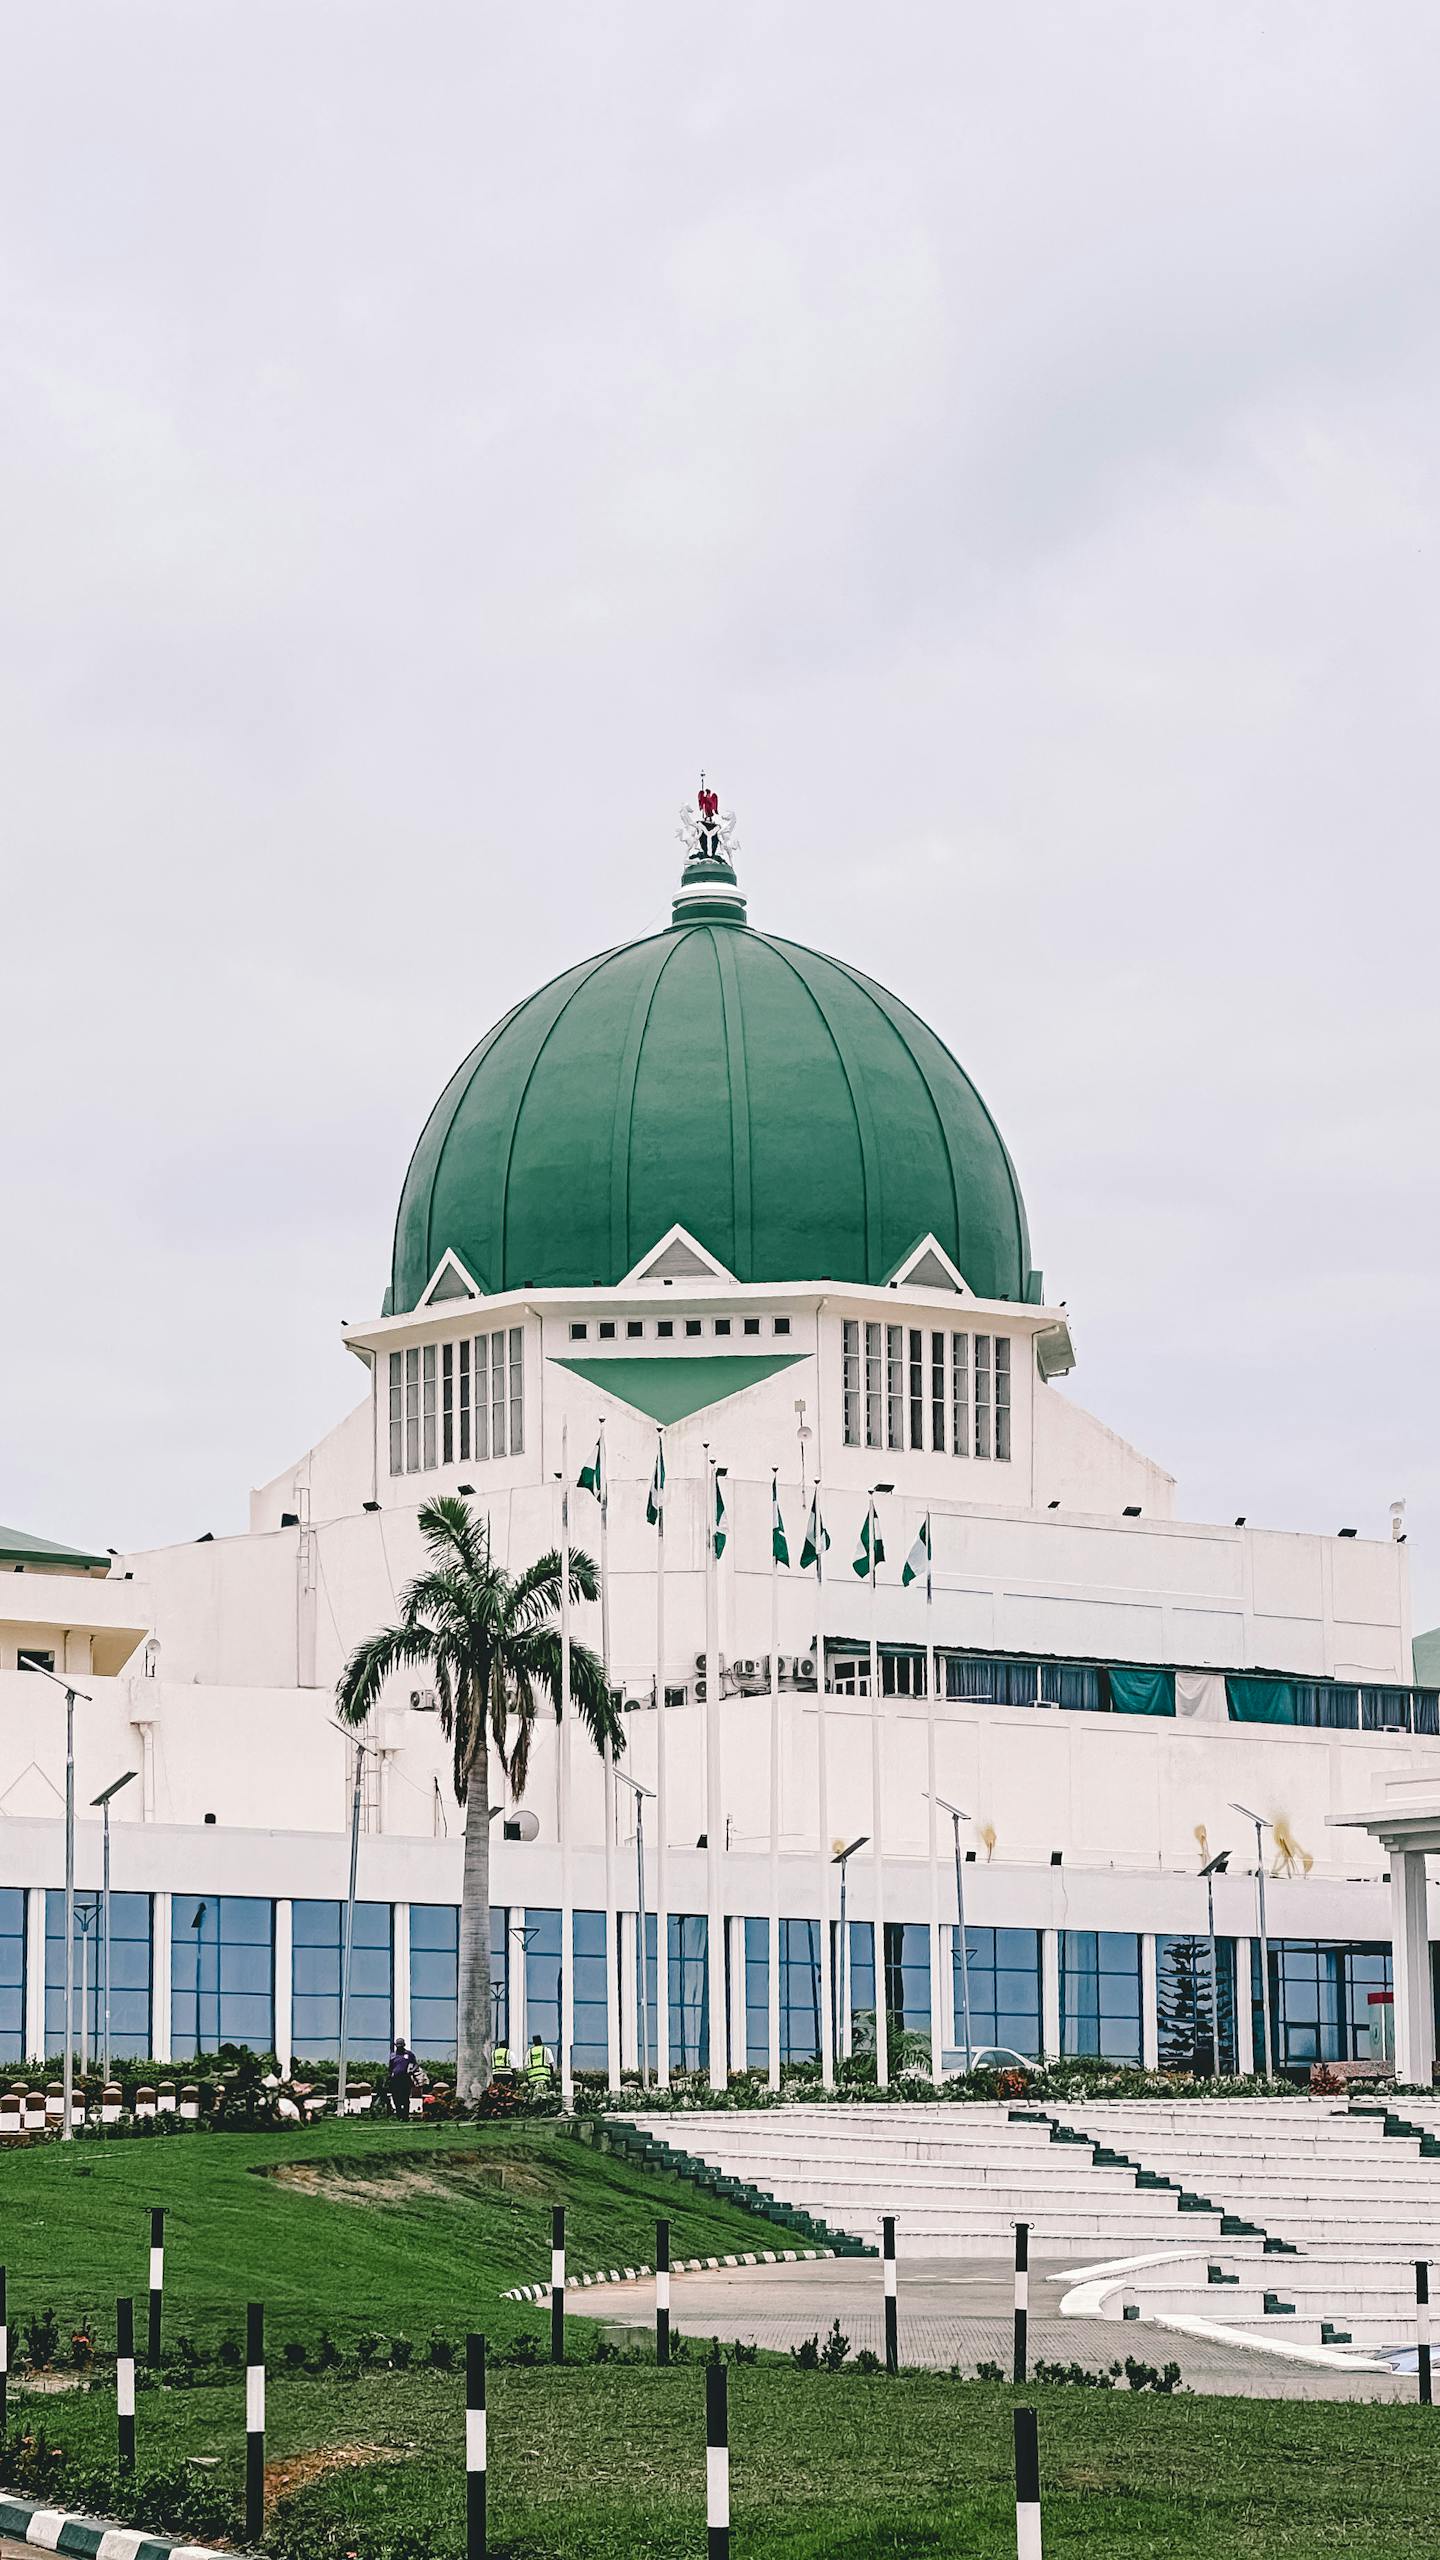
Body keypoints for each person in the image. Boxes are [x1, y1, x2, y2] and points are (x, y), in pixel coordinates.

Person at [385, 2037, 418, 2117]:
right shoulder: (392, 2055)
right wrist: (389, 2077)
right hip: (395, 2080)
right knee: (396, 2097)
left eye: (401, 2046)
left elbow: (416, 2064)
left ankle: (405, 2115)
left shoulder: (408, 2054)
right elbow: (390, 2068)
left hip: (405, 2079)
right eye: (398, 2046)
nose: (399, 2047)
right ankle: (399, 2114)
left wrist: (412, 2070)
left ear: (403, 2045)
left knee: (405, 2097)